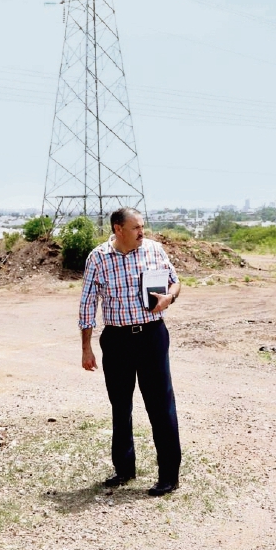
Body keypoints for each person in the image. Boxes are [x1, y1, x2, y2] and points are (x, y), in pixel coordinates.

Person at [79, 207, 183, 496]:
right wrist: (86, 347)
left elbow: (175, 281)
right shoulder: (98, 258)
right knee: (121, 406)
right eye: (136, 227)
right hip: (117, 340)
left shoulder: (154, 250)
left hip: (152, 336)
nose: (142, 232)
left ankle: (169, 475)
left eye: (142, 227)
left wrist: (169, 297)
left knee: (161, 407)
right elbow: (88, 303)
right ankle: (124, 469)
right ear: (118, 229)